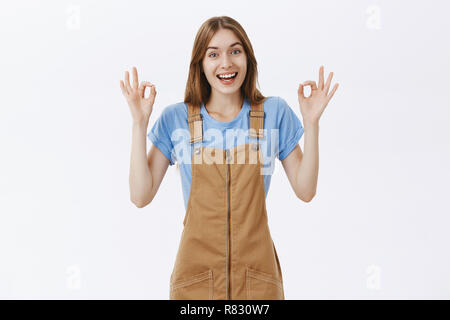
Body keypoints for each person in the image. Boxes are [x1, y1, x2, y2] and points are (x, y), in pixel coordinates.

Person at [120, 16, 338, 300]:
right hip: (195, 282)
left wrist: (311, 124)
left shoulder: (274, 112)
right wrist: (139, 123)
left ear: (248, 58)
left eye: (235, 51)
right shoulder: (177, 119)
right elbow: (140, 195)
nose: (226, 63)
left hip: (257, 281)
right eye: (213, 54)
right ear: (200, 63)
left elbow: (306, 191)